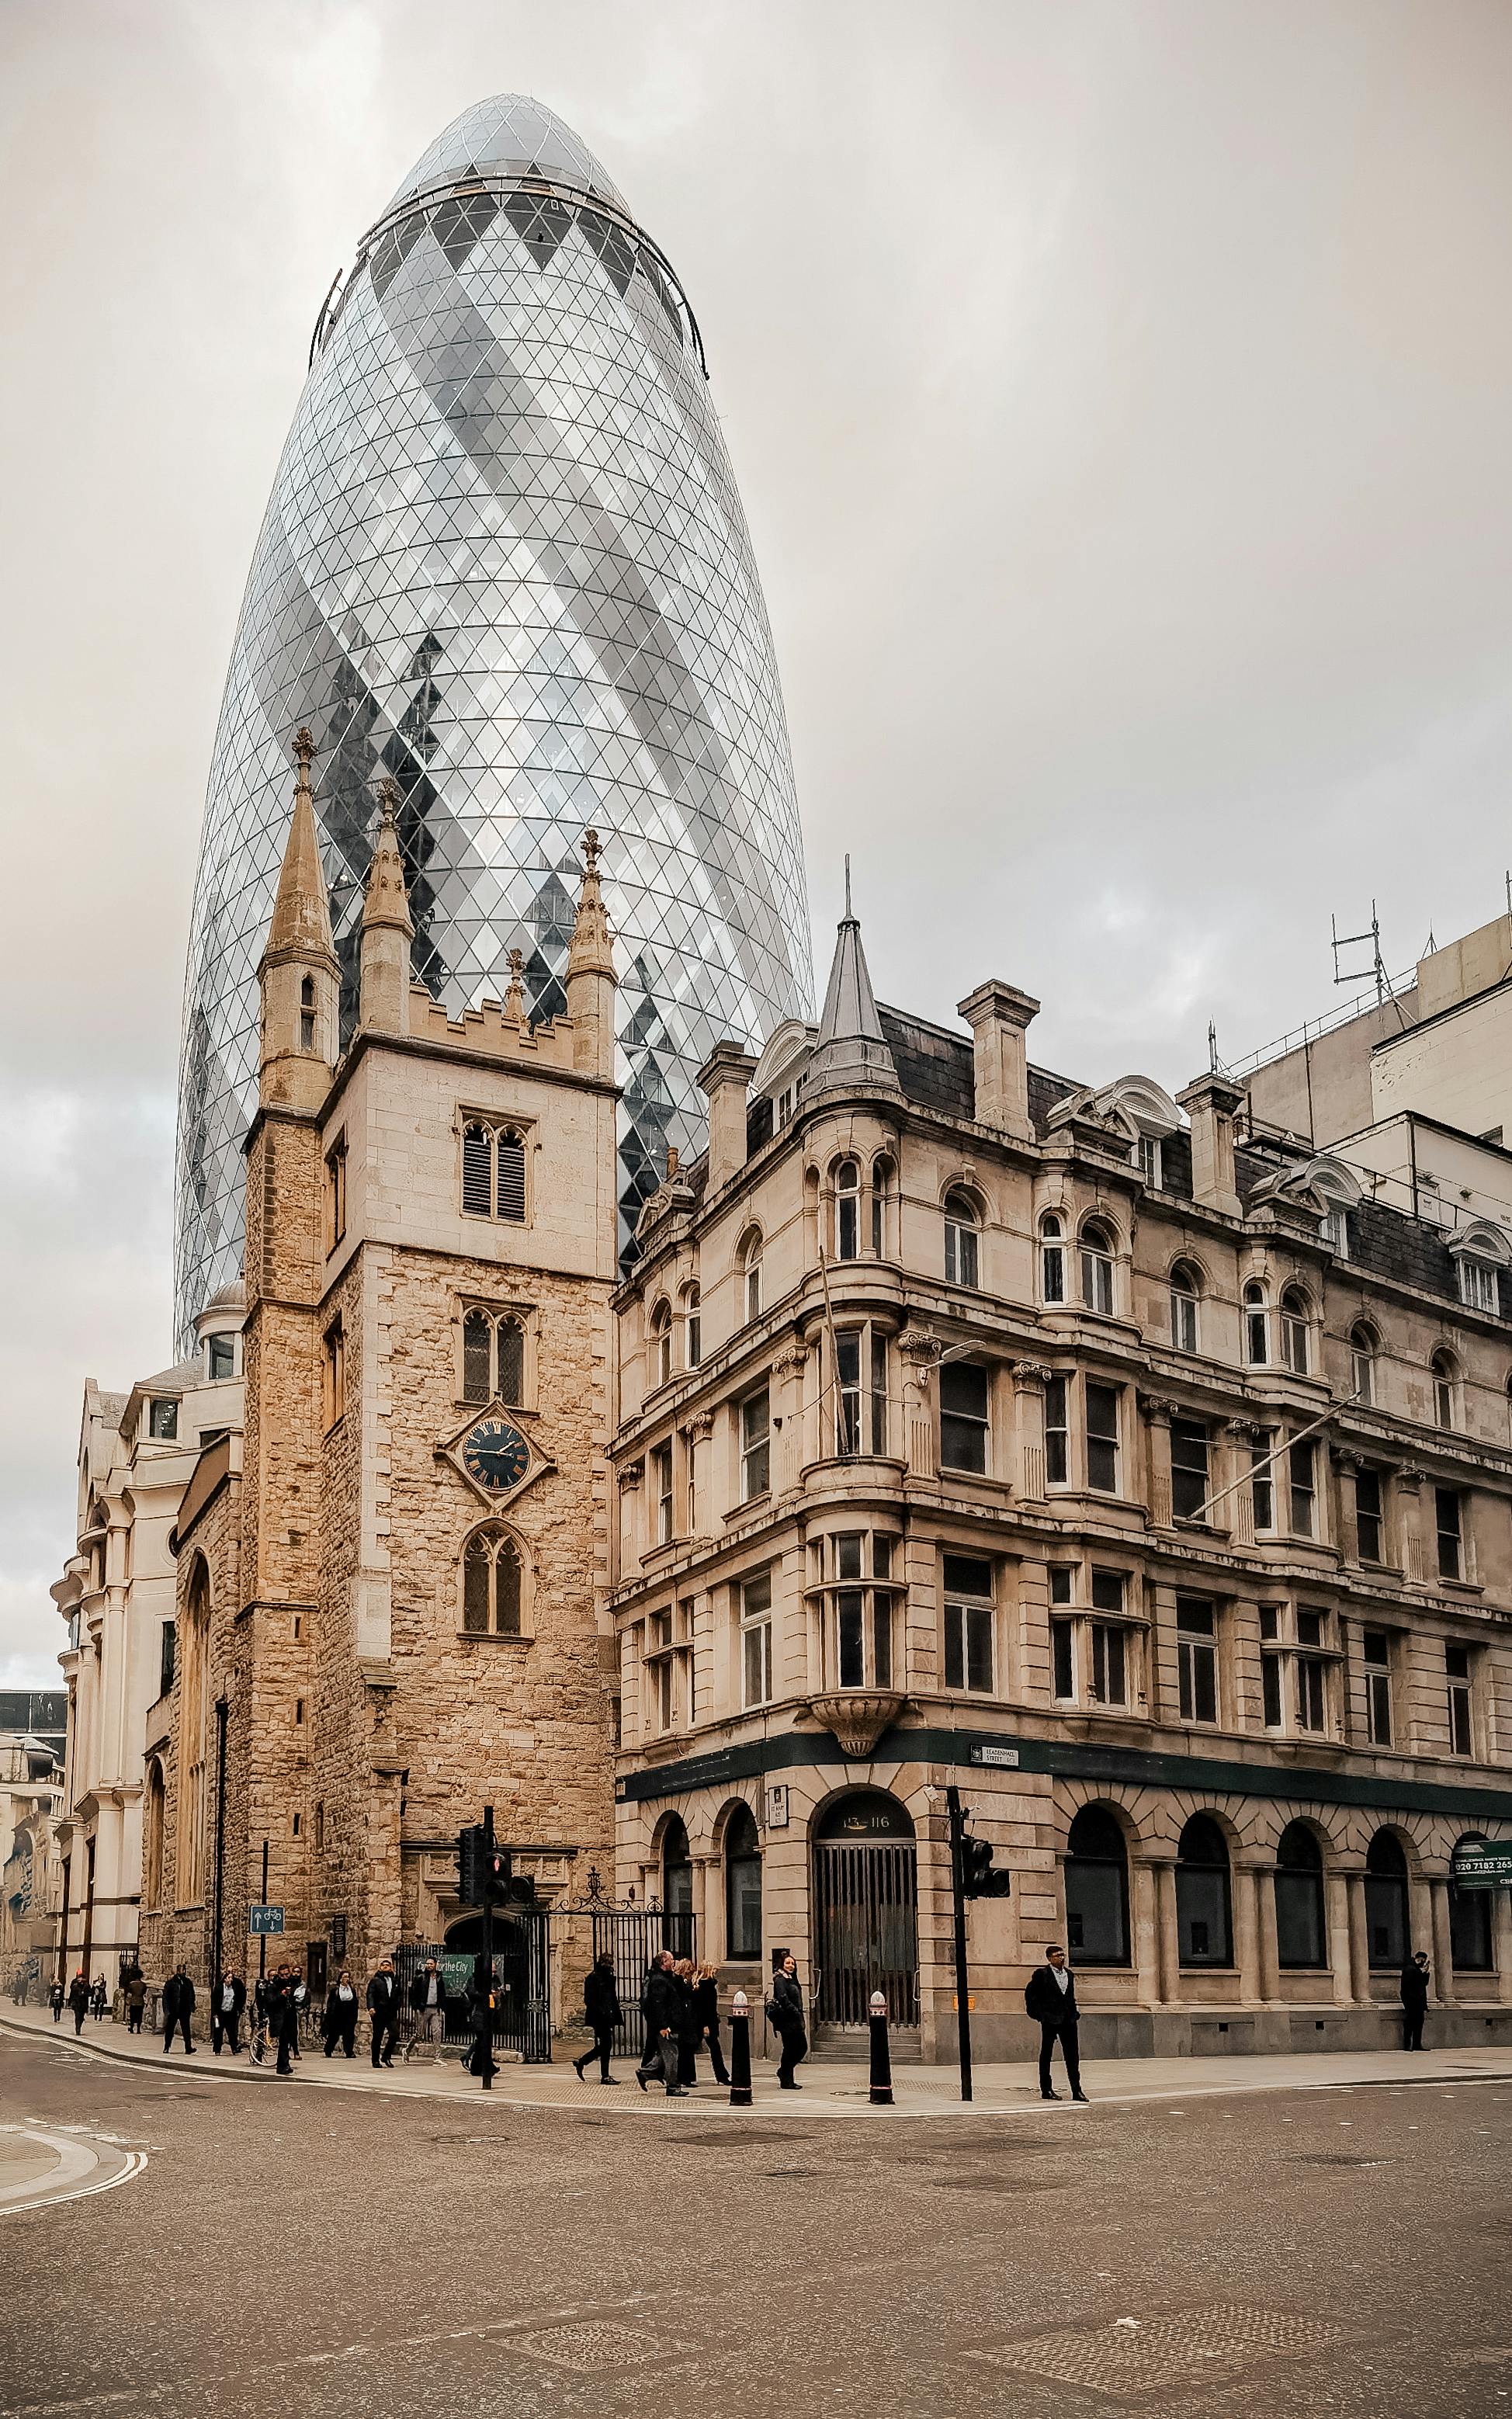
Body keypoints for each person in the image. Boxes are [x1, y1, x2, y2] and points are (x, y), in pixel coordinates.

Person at [1025, 1944, 1088, 2102]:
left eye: (1063, 1955)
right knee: (1046, 2054)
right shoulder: (1042, 1974)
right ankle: (1046, 2089)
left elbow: (1070, 1996)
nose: (1061, 1958)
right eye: (1058, 1956)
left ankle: (1077, 2090)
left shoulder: (1069, 1974)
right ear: (1049, 1958)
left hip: (1068, 2020)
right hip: (1050, 2020)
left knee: (1072, 2056)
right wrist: (1041, 2016)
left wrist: (1075, 2013)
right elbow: (1031, 1996)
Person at [635, 1950, 685, 2094]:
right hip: (666, 2024)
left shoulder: (666, 1978)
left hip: (671, 2022)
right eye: (671, 1960)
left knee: (665, 2055)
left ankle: (645, 2073)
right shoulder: (658, 1981)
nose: (673, 1963)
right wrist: (663, 2026)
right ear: (664, 1962)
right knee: (671, 2055)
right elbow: (658, 2005)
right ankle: (673, 2086)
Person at [574, 1953, 622, 2084]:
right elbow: (589, 2000)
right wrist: (602, 2012)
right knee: (607, 2045)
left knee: (606, 2045)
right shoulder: (593, 1978)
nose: (611, 1967)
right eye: (609, 1964)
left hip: (607, 2016)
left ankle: (582, 2062)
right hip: (599, 2017)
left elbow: (612, 1998)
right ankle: (604, 2076)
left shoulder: (608, 1978)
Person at [768, 1952, 807, 2089]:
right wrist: (795, 2011)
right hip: (787, 2020)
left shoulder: (791, 1978)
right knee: (790, 2049)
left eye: (793, 1964)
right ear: (782, 1965)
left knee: (801, 2048)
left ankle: (784, 2073)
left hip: (795, 2020)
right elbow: (783, 1998)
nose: (791, 1966)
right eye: (788, 1963)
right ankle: (787, 2079)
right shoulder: (780, 1979)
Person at [691, 1963, 730, 2087]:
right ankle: (722, 2076)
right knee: (714, 2050)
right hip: (706, 2022)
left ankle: (722, 2076)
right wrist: (705, 2026)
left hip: (706, 2021)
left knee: (691, 2049)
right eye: (713, 1968)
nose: (715, 1970)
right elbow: (705, 2008)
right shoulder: (706, 1986)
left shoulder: (702, 1985)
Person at [409, 1956, 448, 2058]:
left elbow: (442, 1994)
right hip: (423, 2009)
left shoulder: (439, 1978)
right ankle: (408, 2049)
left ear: (435, 1965)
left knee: (437, 2032)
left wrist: (442, 2008)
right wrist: (416, 2007)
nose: (429, 1965)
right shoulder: (420, 1977)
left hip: (435, 2008)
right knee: (419, 2033)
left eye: (431, 1964)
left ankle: (437, 2056)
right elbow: (414, 1993)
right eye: (428, 1964)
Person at [467, 1956, 498, 2081]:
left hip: (489, 2014)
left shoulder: (493, 1980)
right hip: (479, 2014)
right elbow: (471, 1992)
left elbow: (499, 1991)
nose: (494, 1973)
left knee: (483, 2042)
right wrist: (487, 1994)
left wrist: (497, 1993)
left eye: (495, 1971)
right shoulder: (476, 1979)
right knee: (483, 2041)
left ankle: (477, 2065)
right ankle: (485, 2067)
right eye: (492, 1970)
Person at [264, 1963, 297, 2077]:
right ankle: (283, 2066)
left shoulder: (292, 1982)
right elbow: (270, 2001)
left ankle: (284, 2064)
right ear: (279, 1974)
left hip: (290, 2015)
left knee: (288, 2041)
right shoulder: (273, 1986)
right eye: (282, 1975)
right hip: (279, 2017)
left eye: (287, 1974)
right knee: (284, 2041)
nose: (285, 1977)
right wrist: (281, 1995)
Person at [366, 1958, 401, 2068]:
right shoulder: (376, 1980)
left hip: (391, 2012)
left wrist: (397, 2005)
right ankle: (375, 2060)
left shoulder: (394, 1980)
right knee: (378, 2036)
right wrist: (371, 2007)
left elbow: (399, 1994)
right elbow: (370, 1994)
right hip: (379, 2011)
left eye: (388, 1965)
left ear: (391, 1968)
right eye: (383, 1965)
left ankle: (386, 2056)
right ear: (380, 1968)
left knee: (395, 2034)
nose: (385, 1967)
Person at [672, 1957, 700, 2087]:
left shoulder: (685, 1982)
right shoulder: (679, 1981)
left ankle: (687, 2077)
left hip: (689, 2019)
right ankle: (682, 2077)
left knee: (688, 2050)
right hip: (683, 2020)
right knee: (684, 2050)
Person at [323, 1970, 359, 2057]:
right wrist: (329, 2013)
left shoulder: (352, 1990)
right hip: (337, 2014)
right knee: (334, 2034)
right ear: (340, 1979)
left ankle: (349, 2052)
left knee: (349, 2034)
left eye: (348, 1977)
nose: (347, 1979)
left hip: (349, 2014)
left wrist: (355, 2015)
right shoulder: (335, 1990)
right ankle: (328, 2049)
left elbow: (355, 2002)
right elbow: (331, 2003)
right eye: (345, 1977)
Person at [1400, 1949, 1431, 2052]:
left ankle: (1416, 2044)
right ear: (1421, 1959)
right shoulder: (1410, 1968)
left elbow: (1423, 1984)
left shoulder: (1416, 1969)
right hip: (1412, 2002)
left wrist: (1425, 1973)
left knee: (1419, 2023)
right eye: (1423, 1960)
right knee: (1410, 2023)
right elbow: (1410, 1986)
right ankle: (1408, 2045)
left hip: (1418, 2002)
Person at [161, 1964, 196, 2055]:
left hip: (184, 2009)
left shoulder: (188, 1982)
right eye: (182, 1970)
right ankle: (166, 2047)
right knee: (170, 2029)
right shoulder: (171, 1983)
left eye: (184, 1970)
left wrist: (191, 2005)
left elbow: (192, 1995)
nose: (183, 1972)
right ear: (178, 1971)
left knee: (186, 2029)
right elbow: (165, 1997)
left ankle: (188, 2047)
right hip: (173, 2009)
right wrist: (167, 2010)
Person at [211, 1971, 246, 2056]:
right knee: (218, 2031)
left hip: (230, 2013)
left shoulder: (233, 1987)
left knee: (232, 2032)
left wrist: (238, 2008)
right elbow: (215, 2001)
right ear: (225, 1979)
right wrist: (215, 2013)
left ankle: (234, 2048)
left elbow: (239, 1997)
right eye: (229, 1978)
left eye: (232, 1978)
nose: (231, 1980)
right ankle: (217, 2049)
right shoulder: (219, 1987)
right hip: (220, 2013)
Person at [68, 1971, 90, 2036]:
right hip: (76, 2003)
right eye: (78, 1978)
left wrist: (84, 1994)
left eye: (80, 1978)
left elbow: (90, 1993)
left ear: (83, 1979)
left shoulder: (87, 1986)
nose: (79, 1979)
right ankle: (78, 2029)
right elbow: (71, 1995)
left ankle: (79, 2026)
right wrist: (70, 2003)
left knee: (82, 2018)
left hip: (84, 2004)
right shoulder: (75, 1986)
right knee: (77, 2017)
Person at [124, 1970, 147, 2035]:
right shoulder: (143, 1985)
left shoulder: (131, 1984)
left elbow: (129, 1993)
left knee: (132, 2016)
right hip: (140, 2001)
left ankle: (131, 2028)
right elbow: (144, 1993)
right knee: (139, 2016)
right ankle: (138, 2030)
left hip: (133, 2001)